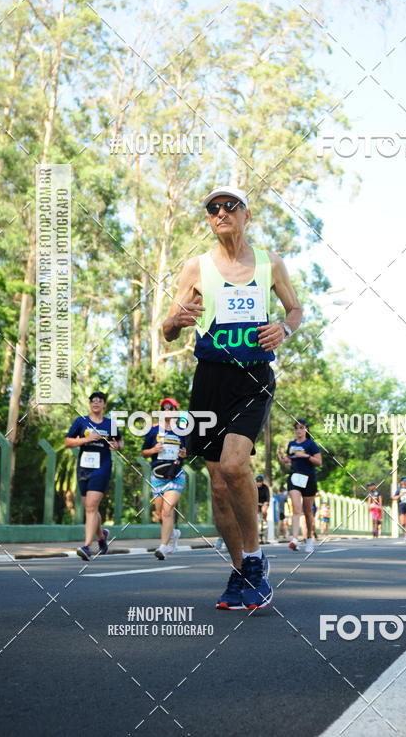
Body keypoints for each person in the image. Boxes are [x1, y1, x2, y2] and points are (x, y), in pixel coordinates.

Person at [162, 186, 302, 610]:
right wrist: (177, 321)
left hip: (252, 378)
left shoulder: (269, 263)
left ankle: (257, 562)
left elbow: (295, 310)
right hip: (209, 382)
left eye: (229, 206)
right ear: (208, 219)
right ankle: (240, 569)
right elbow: (166, 328)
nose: (220, 213)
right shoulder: (196, 268)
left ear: (247, 215)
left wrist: (285, 328)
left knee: (234, 463)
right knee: (219, 487)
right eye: (213, 209)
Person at [65, 391, 123, 561]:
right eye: (93, 401)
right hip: (84, 467)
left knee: (91, 507)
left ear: (104, 404)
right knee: (90, 507)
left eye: (99, 401)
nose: (96, 403)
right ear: (90, 404)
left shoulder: (110, 424)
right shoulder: (81, 421)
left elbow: (120, 441)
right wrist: (86, 439)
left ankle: (87, 546)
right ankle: (102, 535)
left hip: (102, 467)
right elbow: (68, 442)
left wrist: (117, 446)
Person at [141, 397, 187, 559]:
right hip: (158, 476)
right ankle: (173, 533)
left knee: (168, 511)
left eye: (171, 408)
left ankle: (163, 547)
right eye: (164, 408)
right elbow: (144, 452)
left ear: (176, 412)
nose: (167, 411)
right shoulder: (153, 431)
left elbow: (186, 452)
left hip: (175, 475)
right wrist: (153, 449)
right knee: (160, 515)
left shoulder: (182, 430)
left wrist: (184, 453)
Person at [283, 420, 322, 553]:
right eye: (296, 428)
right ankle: (294, 539)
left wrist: (305, 456)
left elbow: (318, 462)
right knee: (295, 507)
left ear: (306, 429)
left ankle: (309, 539)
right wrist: (286, 460)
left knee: (308, 511)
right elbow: (289, 459)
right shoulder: (291, 444)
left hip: (308, 478)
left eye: (301, 428)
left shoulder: (311, 444)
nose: (298, 430)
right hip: (294, 477)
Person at [256, 475, 270, 544]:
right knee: (256, 517)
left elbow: (267, 498)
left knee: (264, 511)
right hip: (256, 504)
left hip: (263, 503)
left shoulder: (265, 487)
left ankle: (264, 520)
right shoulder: (253, 487)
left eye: (260, 482)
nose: (259, 483)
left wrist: (266, 503)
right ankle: (258, 537)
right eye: (257, 482)